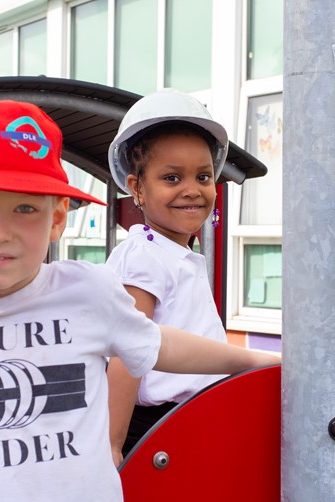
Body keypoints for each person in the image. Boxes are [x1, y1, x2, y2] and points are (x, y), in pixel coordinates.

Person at [0, 100, 280, 501]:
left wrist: (251, 361)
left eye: (24, 207)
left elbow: (154, 343)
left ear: (57, 218)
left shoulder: (87, 293)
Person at [105, 88, 242, 460]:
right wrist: (113, 446)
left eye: (203, 176)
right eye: (171, 177)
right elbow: (125, 352)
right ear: (137, 189)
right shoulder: (143, 255)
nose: (192, 190)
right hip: (157, 428)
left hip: (194, 415)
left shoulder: (174, 251)